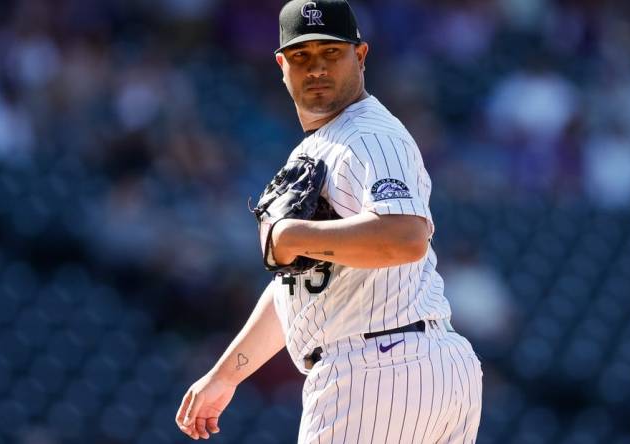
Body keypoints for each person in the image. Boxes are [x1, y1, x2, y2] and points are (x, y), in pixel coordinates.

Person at [176, 1, 482, 442]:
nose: (316, 67)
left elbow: (405, 237)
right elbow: (302, 289)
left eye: (331, 53)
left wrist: (293, 234)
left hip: (376, 368)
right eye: (302, 56)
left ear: (360, 56)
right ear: (281, 65)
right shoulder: (323, 145)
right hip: (412, 366)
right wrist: (226, 376)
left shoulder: (367, 134)